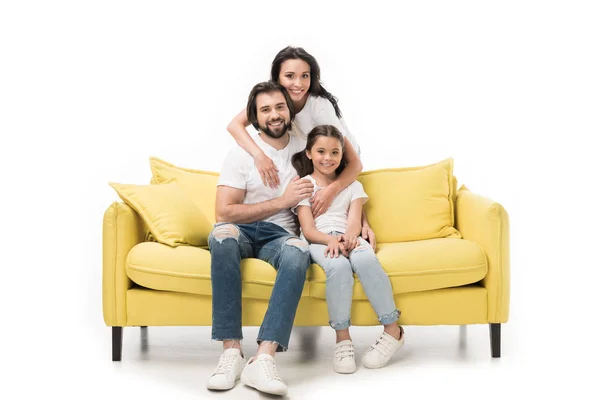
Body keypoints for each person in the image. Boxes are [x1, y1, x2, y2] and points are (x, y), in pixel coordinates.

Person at [206, 80, 314, 396]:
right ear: (254, 117)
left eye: (280, 106)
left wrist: (359, 220)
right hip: (240, 230)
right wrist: (282, 201)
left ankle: (262, 359)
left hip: (280, 235)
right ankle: (231, 352)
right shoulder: (241, 154)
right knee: (223, 237)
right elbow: (224, 213)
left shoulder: (306, 148)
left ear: (290, 109)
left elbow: (341, 181)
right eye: (265, 109)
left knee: (298, 251)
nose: (275, 115)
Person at [226, 46, 377, 248]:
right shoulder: (275, 101)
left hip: (339, 164)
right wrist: (259, 156)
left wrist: (362, 221)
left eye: (305, 76)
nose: (298, 84)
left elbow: (352, 166)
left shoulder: (319, 107)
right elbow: (234, 125)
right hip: (314, 161)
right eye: (290, 76)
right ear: (277, 79)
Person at [291, 125, 405, 374]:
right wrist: (330, 241)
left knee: (366, 261)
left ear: (343, 155)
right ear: (309, 153)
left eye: (334, 152)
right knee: (338, 267)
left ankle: (392, 330)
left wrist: (350, 237)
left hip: (349, 237)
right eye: (321, 151)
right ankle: (343, 338)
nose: (328, 158)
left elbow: (354, 220)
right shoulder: (304, 185)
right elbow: (308, 230)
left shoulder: (352, 186)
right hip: (319, 240)